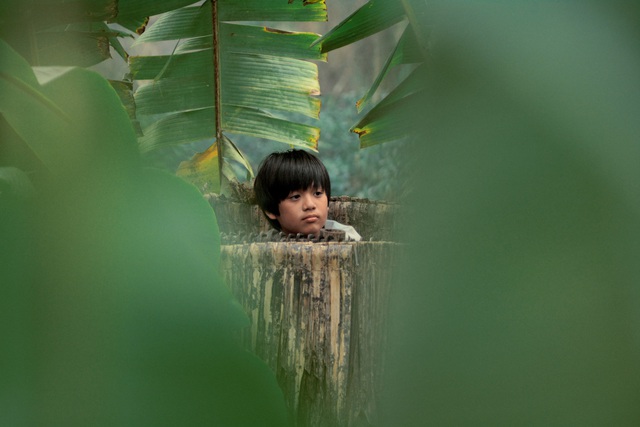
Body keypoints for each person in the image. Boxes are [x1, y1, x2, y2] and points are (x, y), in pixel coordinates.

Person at [253, 149, 361, 241]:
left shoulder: (349, 239)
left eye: (317, 193)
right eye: (295, 197)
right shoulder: (263, 247)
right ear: (270, 210)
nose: (309, 205)